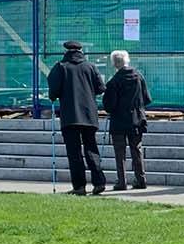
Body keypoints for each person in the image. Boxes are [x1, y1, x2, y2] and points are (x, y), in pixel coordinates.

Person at [46, 40, 106, 195]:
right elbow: (100, 88)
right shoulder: (90, 66)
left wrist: (54, 96)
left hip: (70, 116)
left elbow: (53, 90)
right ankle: (99, 182)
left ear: (66, 51)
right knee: (92, 149)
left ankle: (79, 186)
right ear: (81, 50)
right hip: (89, 115)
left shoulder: (60, 67)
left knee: (74, 153)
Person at [101, 50, 152, 191]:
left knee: (120, 152)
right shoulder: (138, 76)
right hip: (136, 119)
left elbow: (108, 105)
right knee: (137, 150)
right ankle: (141, 179)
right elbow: (147, 98)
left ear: (114, 64)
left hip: (119, 120)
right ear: (127, 60)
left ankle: (122, 181)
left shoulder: (113, 81)